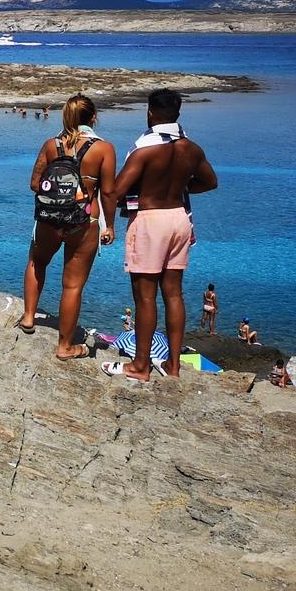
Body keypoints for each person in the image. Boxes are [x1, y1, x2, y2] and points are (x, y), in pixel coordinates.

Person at [104, 89, 218, 380]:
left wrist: (112, 219)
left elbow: (116, 191)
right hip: (179, 217)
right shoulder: (191, 149)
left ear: (150, 113)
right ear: (178, 114)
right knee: (174, 293)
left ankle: (141, 366)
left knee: (144, 297)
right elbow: (209, 182)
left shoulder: (145, 151)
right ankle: (174, 366)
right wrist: (179, 188)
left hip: (150, 218)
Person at [18, 94, 117, 360]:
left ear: (66, 117)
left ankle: (29, 317)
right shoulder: (103, 149)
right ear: (93, 117)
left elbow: (35, 184)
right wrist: (111, 226)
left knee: (37, 262)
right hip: (85, 222)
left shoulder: (52, 145)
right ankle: (65, 346)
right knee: (72, 286)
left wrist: (58, 196)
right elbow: (108, 193)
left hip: (49, 219)